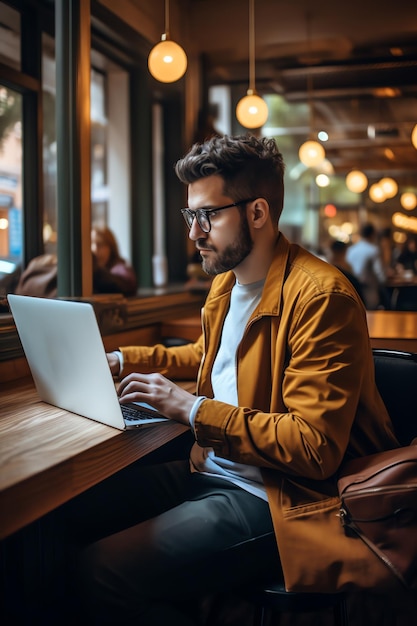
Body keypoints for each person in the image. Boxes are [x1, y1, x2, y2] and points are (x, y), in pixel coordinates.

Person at [71, 135, 399, 625]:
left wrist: (190, 409)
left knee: (101, 572)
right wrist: (119, 359)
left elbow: (313, 447)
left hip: (281, 497)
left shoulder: (321, 297)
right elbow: (211, 355)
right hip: (212, 471)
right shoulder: (227, 282)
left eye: (208, 216)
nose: (194, 233)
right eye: (190, 217)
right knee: (69, 516)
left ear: (258, 213)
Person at [346, 222, 387, 309]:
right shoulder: (373, 250)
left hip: (352, 290)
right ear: (373, 235)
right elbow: (380, 274)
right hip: (369, 292)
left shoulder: (351, 250)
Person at [91, 224, 138, 296]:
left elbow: (128, 286)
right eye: (91, 244)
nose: (94, 249)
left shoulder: (120, 268)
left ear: (111, 248)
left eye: (100, 244)